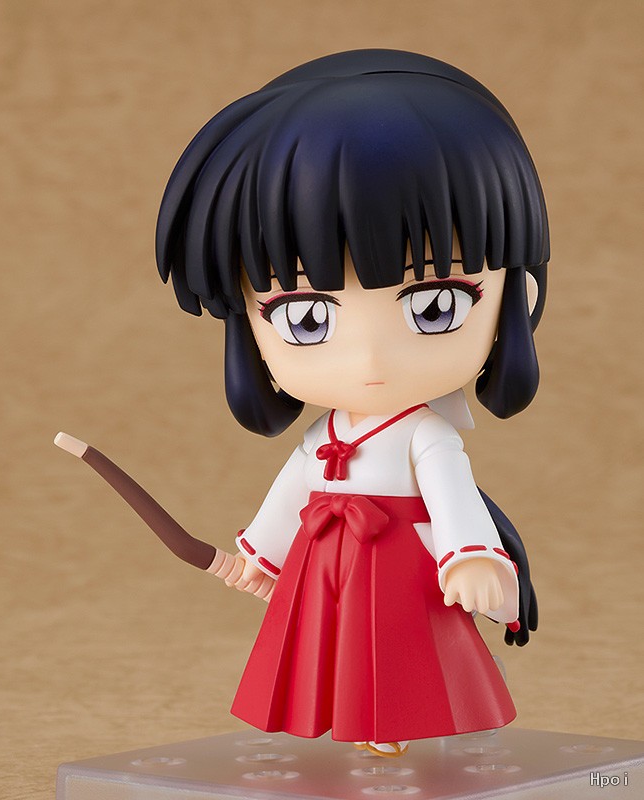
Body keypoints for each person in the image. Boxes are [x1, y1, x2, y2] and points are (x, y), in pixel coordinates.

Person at [155, 49, 548, 757]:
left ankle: (391, 728)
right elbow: (291, 494)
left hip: (399, 560)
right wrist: (260, 555)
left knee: (399, 650)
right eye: (306, 317)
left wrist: (471, 555)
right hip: (324, 558)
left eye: (435, 305)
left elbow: (455, 499)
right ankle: (351, 722)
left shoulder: (427, 436)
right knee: (326, 648)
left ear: (517, 296)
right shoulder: (324, 434)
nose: (369, 361)